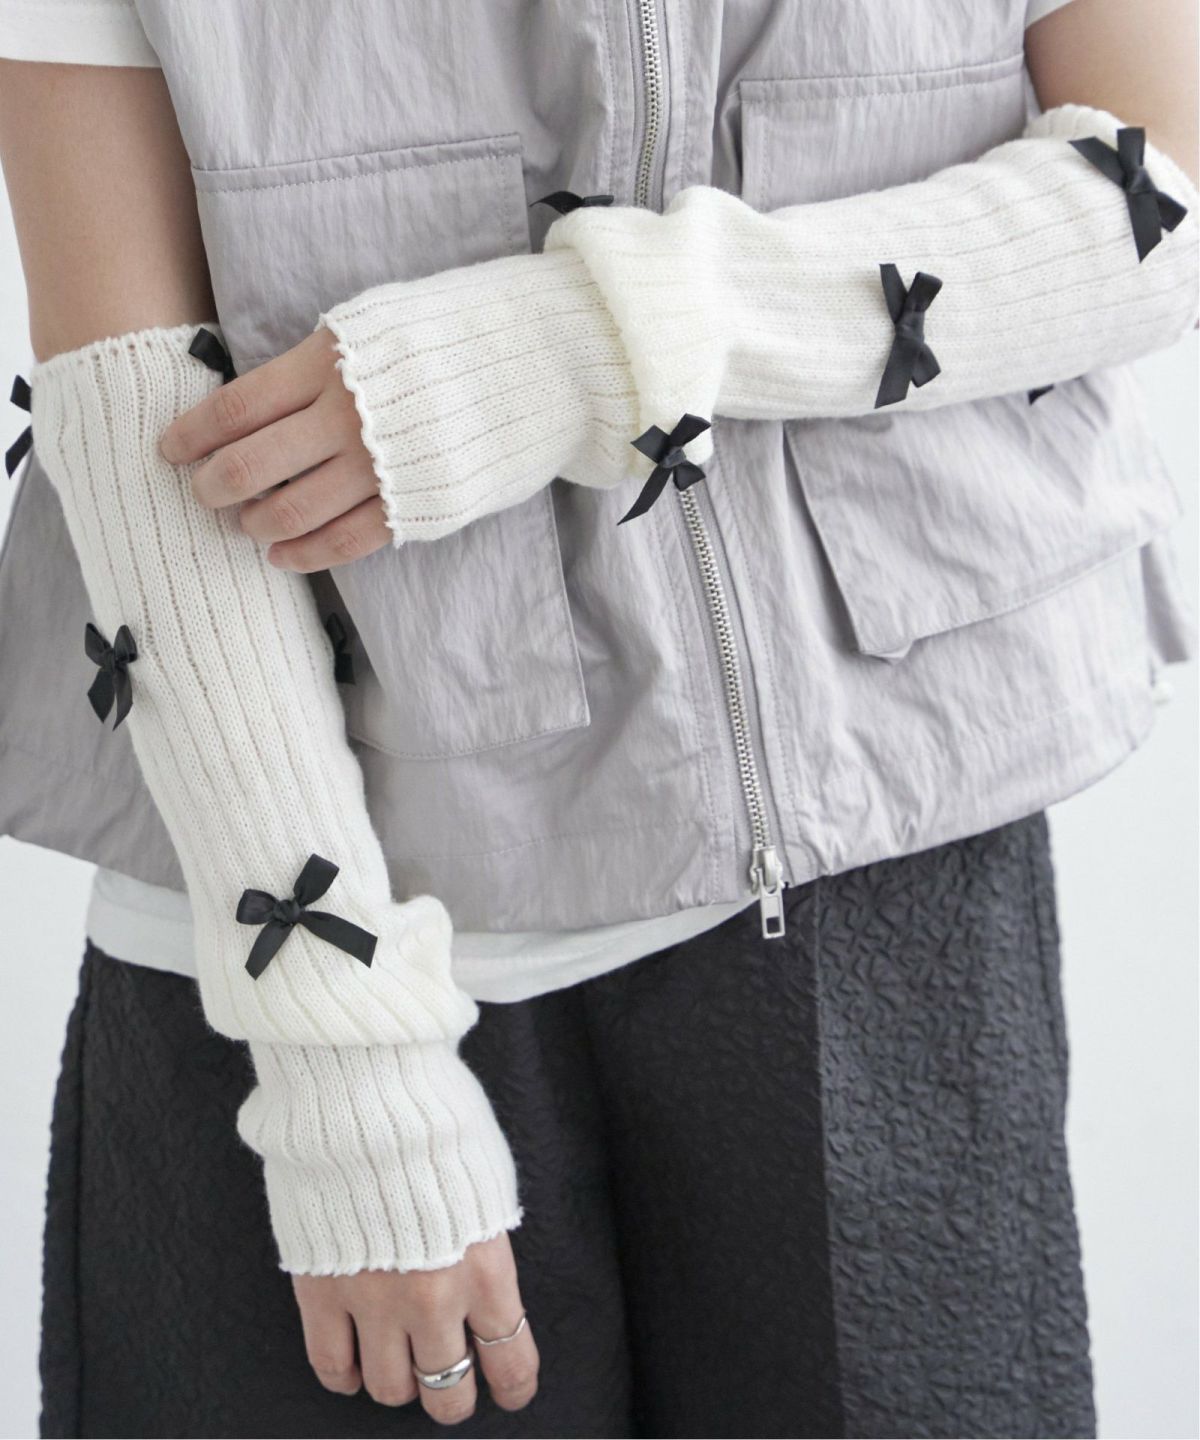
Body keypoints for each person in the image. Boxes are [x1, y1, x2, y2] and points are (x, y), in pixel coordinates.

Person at [0, 0, 1195, 1435]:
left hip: (878, 860)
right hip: (300, 933)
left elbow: (1162, 196)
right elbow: (139, 413)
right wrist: (345, 1069)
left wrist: (600, 338)